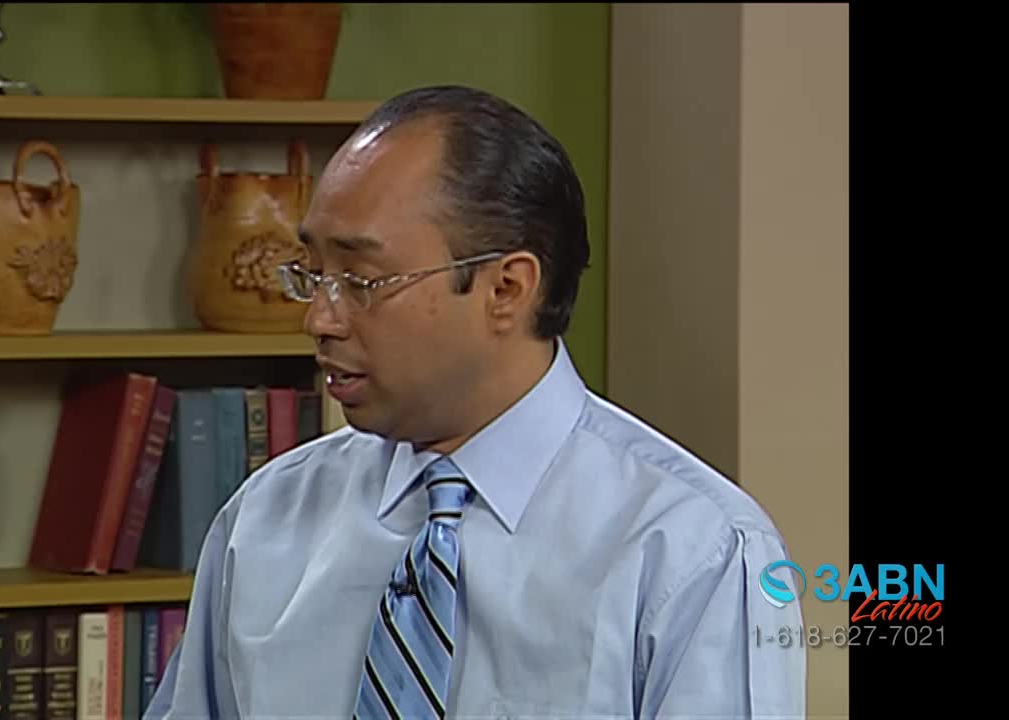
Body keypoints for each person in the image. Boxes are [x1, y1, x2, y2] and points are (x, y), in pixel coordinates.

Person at [144, 85, 806, 719]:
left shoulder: (694, 551)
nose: (320, 317)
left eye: (361, 280)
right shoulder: (262, 522)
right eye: (315, 275)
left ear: (507, 289)